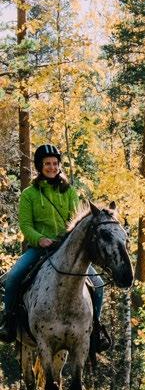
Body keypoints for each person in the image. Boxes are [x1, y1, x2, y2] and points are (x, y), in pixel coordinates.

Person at [0, 144, 110, 352]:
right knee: (13, 277)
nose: (51, 167)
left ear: (59, 166)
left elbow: (76, 223)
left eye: (55, 163)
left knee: (98, 284)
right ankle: (8, 323)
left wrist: (68, 242)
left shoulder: (69, 192)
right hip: (40, 248)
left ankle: (96, 327)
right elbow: (25, 225)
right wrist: (40, 239)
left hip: (67, 250)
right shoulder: (29, 194)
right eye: (47, 164)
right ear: (39, 167)